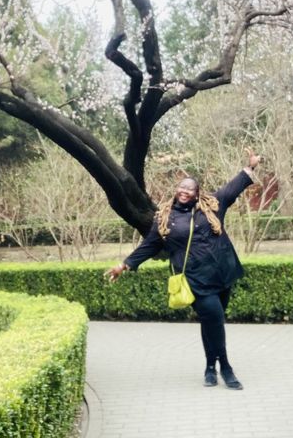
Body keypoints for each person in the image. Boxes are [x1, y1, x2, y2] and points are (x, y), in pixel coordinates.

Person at [106, 152, 261, 390]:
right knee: (216, 319)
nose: (185, 191)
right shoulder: (165, 219)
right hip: (194, 280)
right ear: (176, 190)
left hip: (221, 274)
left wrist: (249, 168)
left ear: (197, 193)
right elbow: (149, 245)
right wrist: (124, 265)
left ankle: (210, 367)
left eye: (190, 188)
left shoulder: (212, 207)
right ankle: (226, 369)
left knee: (211, 323)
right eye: (182, 187)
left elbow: (232, 188)